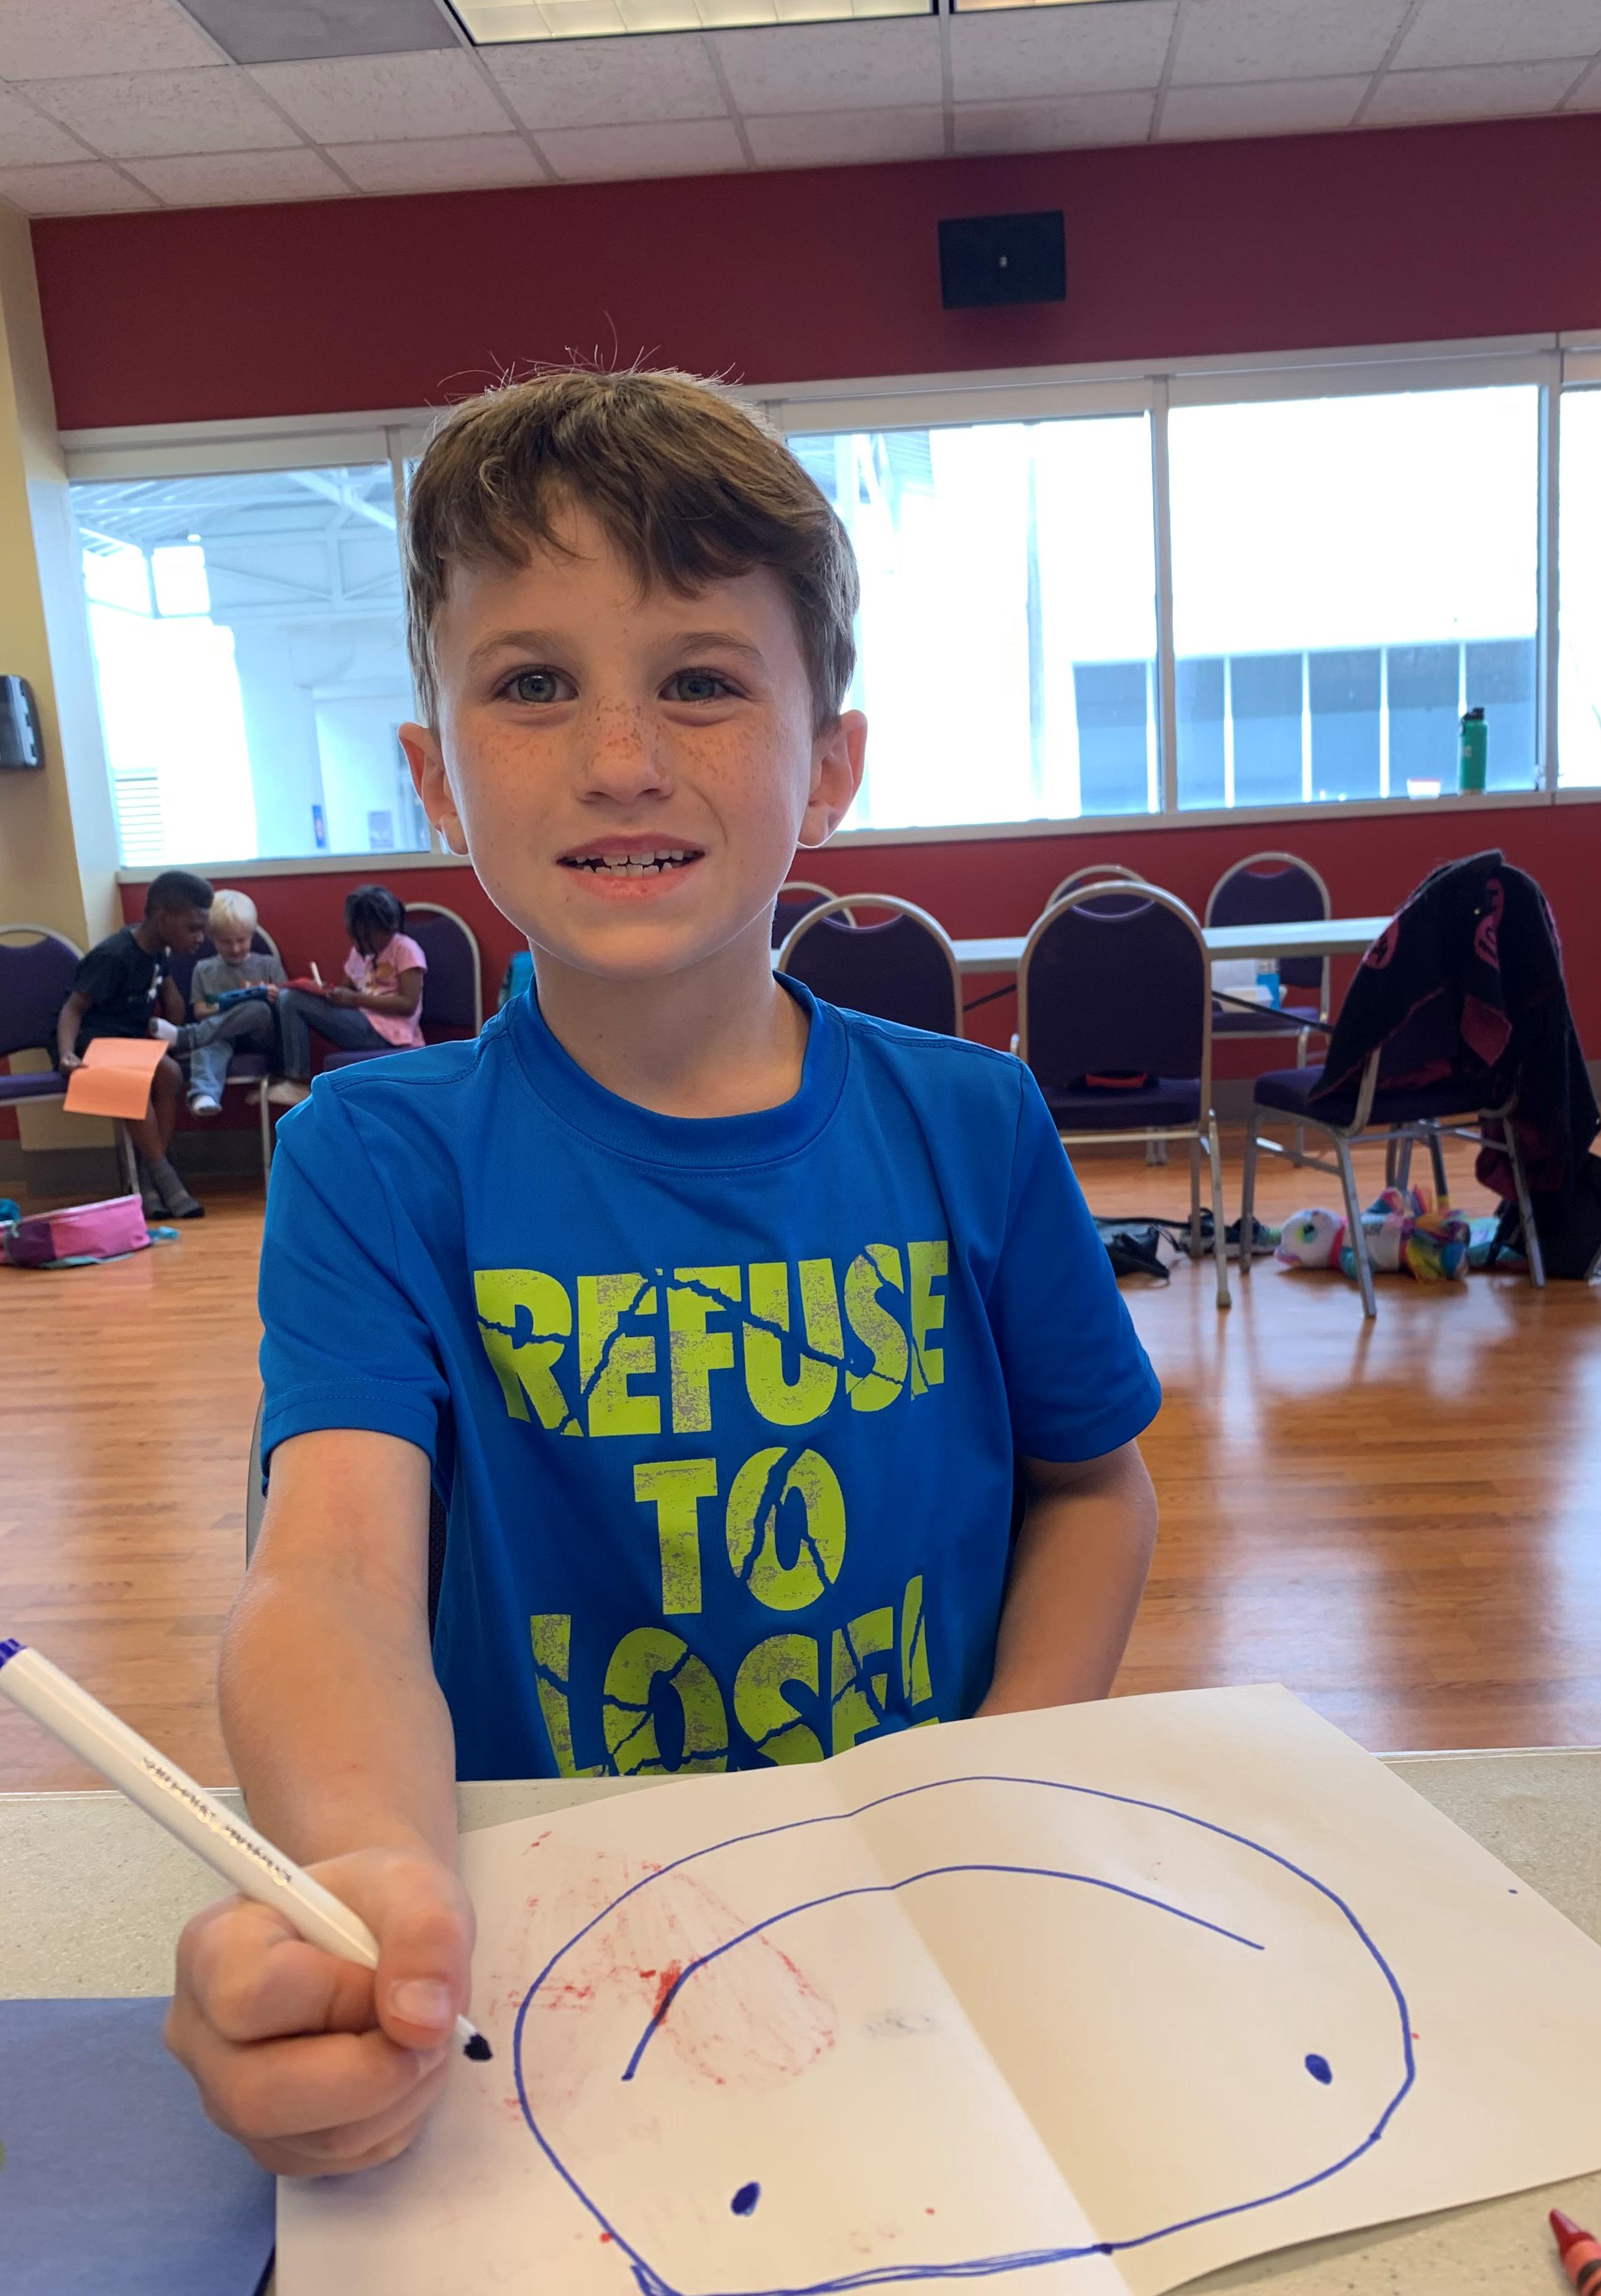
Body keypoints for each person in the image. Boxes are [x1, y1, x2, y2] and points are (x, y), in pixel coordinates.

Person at [165, 368, 1161, 2179]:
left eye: (700, 679)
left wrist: (996, 1782)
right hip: (538, 1956)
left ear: (831, 762)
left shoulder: (978, 1122)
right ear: (434, 770)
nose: (620, 757)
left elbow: (1093, 1486)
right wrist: (365, 1867)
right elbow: (328, 1579)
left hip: (910, 1935)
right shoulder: (375, 1163)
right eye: (533, 683)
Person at [55, 869, 211, 1221]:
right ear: (163, 918)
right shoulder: (114, 956)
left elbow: (171, 1001)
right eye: (193, 928)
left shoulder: (158, 952)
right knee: (134, 1080)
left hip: (128, 1042)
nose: (200, 937)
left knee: (170, 1073)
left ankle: (148, 1172)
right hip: (90, 1043)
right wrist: (67, 1053)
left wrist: (176, 1028)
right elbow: (73, 1008)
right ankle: (162, 1174)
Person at [267, 886, 426, 1108]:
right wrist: (326, 993)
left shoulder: (406, 949)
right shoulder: (360, 953)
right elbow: (346, 990)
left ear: (389, 928)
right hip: (361, 1025)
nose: (360, 944)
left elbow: (408, 1004)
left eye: (367, 937)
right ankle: (290, 1079)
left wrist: (353, 999)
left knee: (291, 1001)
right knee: (290, 997)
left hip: (391, 1035)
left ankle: (297, 1081)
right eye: (356, 937)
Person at [182, 889, 286, 1118]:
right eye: (226, 942)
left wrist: (271, 997)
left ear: (251, 935)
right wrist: (226, 1008)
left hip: (261, 1036)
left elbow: (285, 1007)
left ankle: (187, 1037)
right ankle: (204, 1095)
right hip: (220, 1036)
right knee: (209, 1044)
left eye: (242, 940)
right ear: (212, 938)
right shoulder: (204, 969)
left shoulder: (268, 965)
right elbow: (200, 1011)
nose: (236, 948)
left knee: (257, 1009)